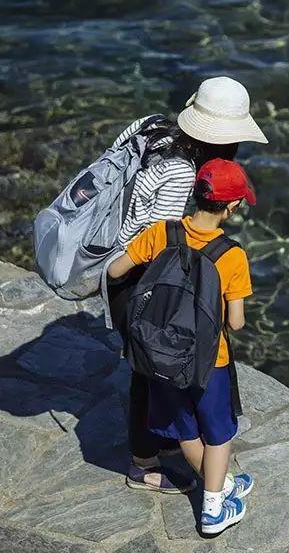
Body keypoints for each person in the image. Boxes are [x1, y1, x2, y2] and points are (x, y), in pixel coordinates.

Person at [104, 76, 267, 495]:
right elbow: (171, 245)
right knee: (149, 368)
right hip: (145, 280)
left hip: (125, 261)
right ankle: (144, 461)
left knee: (152, 364)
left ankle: (172, 439)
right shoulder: (181, 174)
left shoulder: (153, 126)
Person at [107, 158, 257, 535]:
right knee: (219, 433)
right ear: (233, 206)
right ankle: (212, 510)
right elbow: (235, 322)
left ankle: (220, 485)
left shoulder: (162, 232)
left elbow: (115, 270)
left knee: (185, 430)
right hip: (209, 361)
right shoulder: (232, 255)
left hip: (160, 353)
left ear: (196, 194)